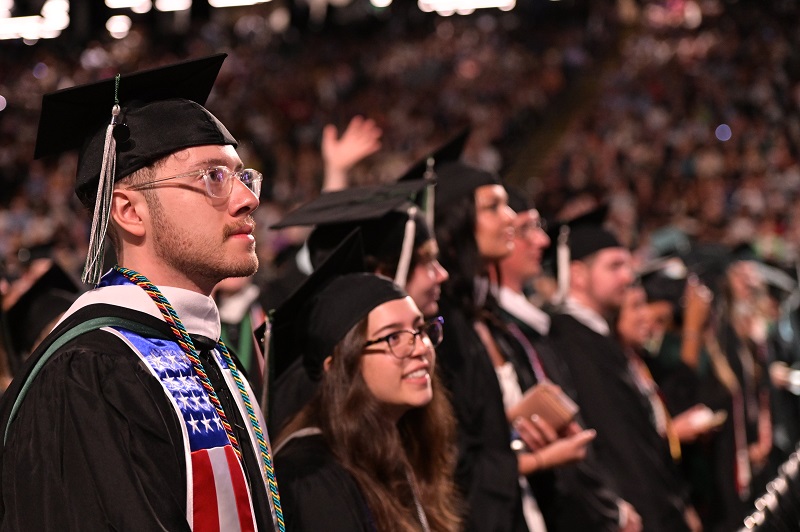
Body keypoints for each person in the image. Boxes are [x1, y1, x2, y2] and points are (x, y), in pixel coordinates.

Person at [0, 55, 284, 531]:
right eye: (213, 176)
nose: (247, 197)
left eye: (242, 175)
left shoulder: (209, 355)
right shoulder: (89, 375)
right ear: (129, 212)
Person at [432, 162, 595, 531]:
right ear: (457, 221)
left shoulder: (482, 316)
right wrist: (539, 459)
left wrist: (513, 422)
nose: (509, 218)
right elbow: (452, 457)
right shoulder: (444, 327)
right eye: (493, 207)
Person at [271, 234, 461, 531]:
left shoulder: (400, 444)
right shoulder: (309, 476)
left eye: (420, 329)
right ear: (337, 365)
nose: (422, 347)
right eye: (393, 337)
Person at [494, 189, 642, 532]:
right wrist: (610, 509)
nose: (543, 240)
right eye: (527, 228)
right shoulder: (537, 333)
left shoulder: (538, 329)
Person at [546, 205, 696, 532]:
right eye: (614, 266)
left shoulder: (600, 337)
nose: (628, 277)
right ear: (578, 275)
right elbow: (614, 448)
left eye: (628, 266)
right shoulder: (567, 340)